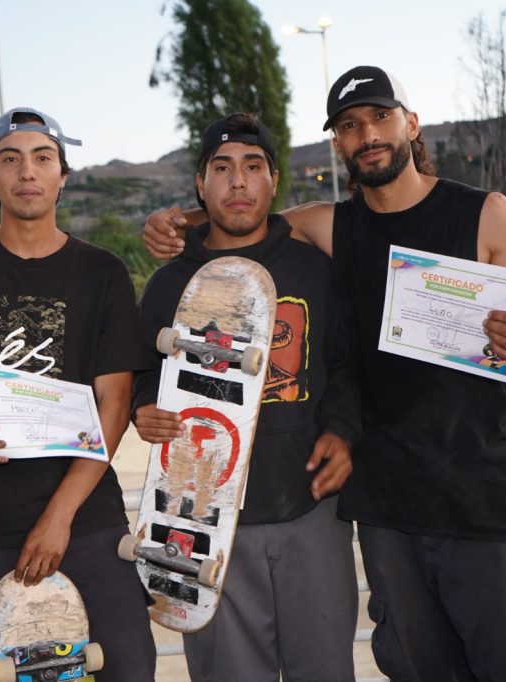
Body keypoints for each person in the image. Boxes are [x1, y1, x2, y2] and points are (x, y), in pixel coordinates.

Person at [143, 66, 506, 680]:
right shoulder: (334, 227)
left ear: (411, 123)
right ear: (338, 144)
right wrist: (176, 222)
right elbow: (249, 217)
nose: (368, 134)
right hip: (389, 514)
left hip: (490, 505)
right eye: (350, 125)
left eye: (380, 117)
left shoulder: (485, 214)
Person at [0, 107, 155, 681]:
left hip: (86, 514)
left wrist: (59, 516)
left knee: (127, 664)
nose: (27, 171)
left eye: (43, 158)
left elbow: (115, 404)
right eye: (10, 159)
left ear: (62, 176)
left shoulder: (102, 273)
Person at [133, 113, 359, 681]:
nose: (238, 181)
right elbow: (142, 373)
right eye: (222, 168)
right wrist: (144, 409)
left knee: (325, 671)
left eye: (253, 167)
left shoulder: (315, 269)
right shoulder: (170, 283)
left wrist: (342, 432)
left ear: (273, 180)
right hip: (203, 517)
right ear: (200, 184)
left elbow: (345, 366)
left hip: (310, 506)